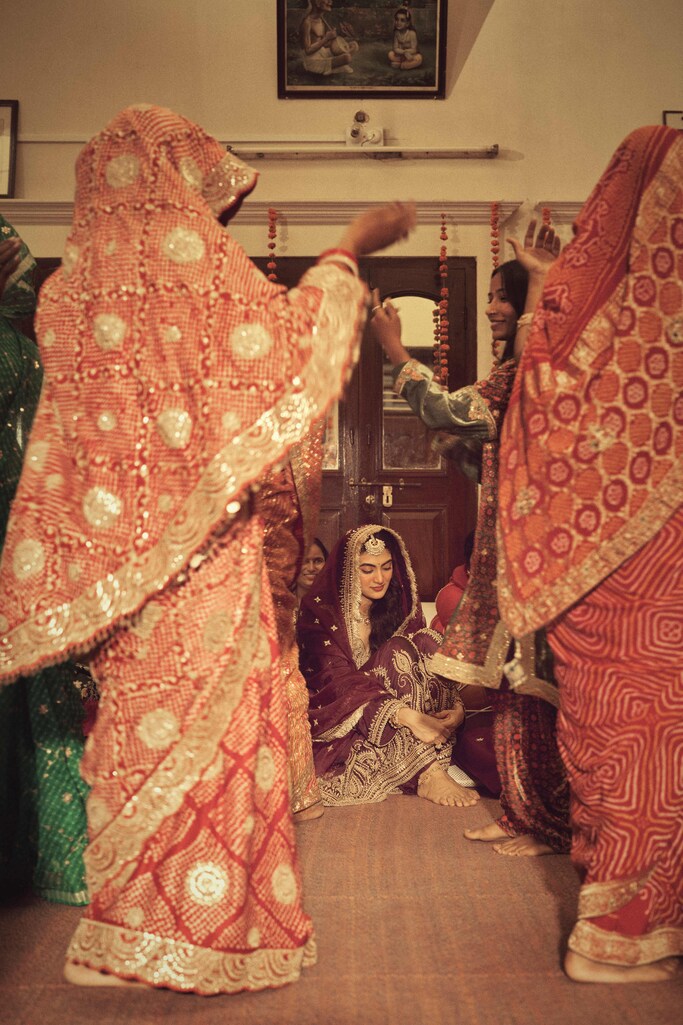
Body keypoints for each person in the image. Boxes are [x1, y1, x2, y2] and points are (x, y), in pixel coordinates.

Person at [0, 105, 416, 993]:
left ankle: (126, 929)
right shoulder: (198, 274)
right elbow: (290, 346)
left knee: (135, 733)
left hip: (118, 573)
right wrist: (348, 245)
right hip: (205, 565)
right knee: (216, 736)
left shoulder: (66, 294)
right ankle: (203, 929)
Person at [497, 126, 683, 982]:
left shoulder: (569, 303)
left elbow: (531, 398)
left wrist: (543, 283)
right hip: (648, 584)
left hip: (580, 577)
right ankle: (612, 935)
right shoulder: (659, 320)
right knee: (650, 732)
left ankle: (630, 917)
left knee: (613, 731)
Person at [370, 222, 571, 858]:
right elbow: (468, 446)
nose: (491, 309)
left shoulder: (531, 374)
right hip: (503, 550)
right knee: (509, 684)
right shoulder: (513, 374)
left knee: (532, 686)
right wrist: (464, 447)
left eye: (502, 297)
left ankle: (546, 822)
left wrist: (395, 351)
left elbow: (446, 409)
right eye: (489, 297)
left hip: (535, 555)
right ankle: (521, 812)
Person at [0, 214, 93, 906]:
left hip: (22, 540)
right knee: (41, 700)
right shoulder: (32, 355)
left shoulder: (22, 355)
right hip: (37, 548)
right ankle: (51, 857)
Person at [298, 524, 476, 807]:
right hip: (345, 715)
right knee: (396, 649)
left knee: (425, 639)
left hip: (401, 710)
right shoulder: (319, 614)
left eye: (387, 567)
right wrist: (406, 716)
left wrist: (457, 708)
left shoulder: (397, 606)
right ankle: (428, 772)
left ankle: (436, 736)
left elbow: (420, 668)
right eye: (367, 570)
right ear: (347, 571)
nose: (379, 578)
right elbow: (335, 682)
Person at [255, 443, 327, 824]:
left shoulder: (284, 470)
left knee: (287, 682)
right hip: (233, 578)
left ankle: (295, 794)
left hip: (265, 576)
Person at [300, 0, 358, 76]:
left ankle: (333, 67)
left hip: (323, 53)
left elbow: (325, 45)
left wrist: (341, 35)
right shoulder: (307, 22)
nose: (330, 1)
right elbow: (307, 51)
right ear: (317, 2)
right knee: (347, 58)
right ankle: (334, 68)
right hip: (312, 60)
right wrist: (326, 38)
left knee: (354, 45)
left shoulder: (321, 20)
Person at [294, 536, 329, 611]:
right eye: (304, 561)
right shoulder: (281, 603)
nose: (311, 568)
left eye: (318, 561)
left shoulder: (337, 606)